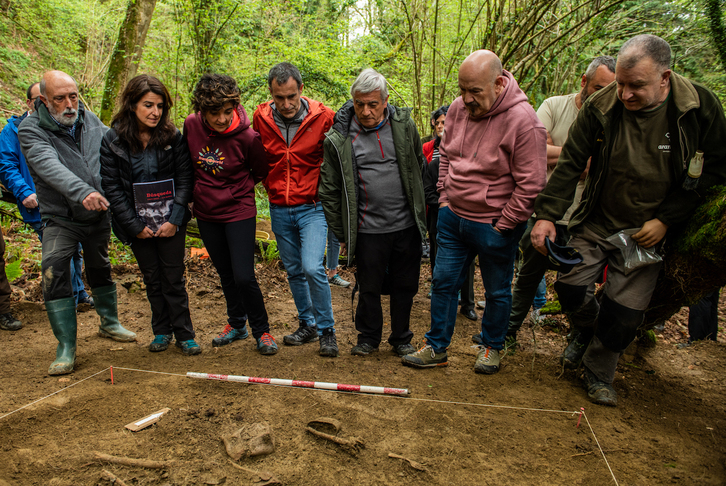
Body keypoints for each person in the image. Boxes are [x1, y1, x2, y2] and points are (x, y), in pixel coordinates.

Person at [531, 35, 726, 406]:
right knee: (570, 289)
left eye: (636, 85)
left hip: (647, 232)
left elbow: (716, 169)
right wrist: (547, 216)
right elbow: (571, 161)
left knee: (624, 317)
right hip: (597, 220)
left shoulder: (698, 107)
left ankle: (599, 373)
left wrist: (667, 219)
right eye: (620, 83)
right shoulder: (602, 104)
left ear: (665, 78)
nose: (624, 94)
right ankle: (587, 332)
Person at [402, 50, 546, 373]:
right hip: (453, 218)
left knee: (496, 290)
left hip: (495, 224)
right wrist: (443, 198)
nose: (466, 99)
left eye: (475, 91)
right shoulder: (456, 108)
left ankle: (491, 346)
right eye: (462, 89)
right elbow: (446, 155)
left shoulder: (524, 121)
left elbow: (532, 184)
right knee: (442, 283)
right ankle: (436, 347)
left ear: (497, 83)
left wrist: (504, 223)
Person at [18, 71, 137, 375]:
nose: (70, 104)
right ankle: (66, 346)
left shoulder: (89, 119)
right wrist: (83, 191)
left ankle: (109, 323)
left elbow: (116, 147)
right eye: (61, 98)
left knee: (99, 265)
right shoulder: (31, 129)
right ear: (43, 100)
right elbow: (48, 166)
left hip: (98, 214)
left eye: (73, 95)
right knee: (54, 267)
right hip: (60, 218)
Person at [498, 56, 615, 345]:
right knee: (527, 277)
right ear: (584, 82)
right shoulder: (553, 105)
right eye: (599, 87)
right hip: (546, 212)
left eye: (611, 88)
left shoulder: (615, 114)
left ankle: (582, 338)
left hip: (585, 218)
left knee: (580, 285)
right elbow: (535, 150)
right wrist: (577, 159)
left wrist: (557, 154)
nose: (605, 95)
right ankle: (506, 334)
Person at [319, 68, 426, 357]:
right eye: (359, 104)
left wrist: (423, 216)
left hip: (405, 225)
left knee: (405, 285)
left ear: (386, 101)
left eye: (372, 104)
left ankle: (401, 337)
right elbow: (328, 188)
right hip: (366, 228)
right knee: (369, 287)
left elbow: (419, 167)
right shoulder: (340, 137)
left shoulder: (405, 127)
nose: (365, 111)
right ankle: (368, 338)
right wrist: (341, 231)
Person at [100, 75, 199, 355]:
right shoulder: (113, 140)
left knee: (173, 277)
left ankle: (184, 334)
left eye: (159, 106)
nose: (155, 112)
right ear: (132, 104)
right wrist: (133, 225)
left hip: (170, 223)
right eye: (148, 105)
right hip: (137, 225)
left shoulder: (172, 136)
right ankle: (161, 331)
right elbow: (111, 187)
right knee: (152, 278)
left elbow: (185, 179)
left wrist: (175, 219)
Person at [183, 73, 276, 355]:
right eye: (215, 113)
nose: (222, 119)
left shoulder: (248, 137)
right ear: (201, 111)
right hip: (206, 211)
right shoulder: (190, 126)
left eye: (228, 111)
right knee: (225, 273)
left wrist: (238, 190)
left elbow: (261, 170)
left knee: (244, 275)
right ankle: (237, 324)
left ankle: (263, 331)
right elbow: (187, 162)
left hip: (238, 210)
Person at [253, 62, 339, 357]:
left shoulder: (324, 117)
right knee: (293, 270)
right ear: (271, 94)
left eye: (291, 96)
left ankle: (328, 330)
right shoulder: (260, 117)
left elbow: (340, 155)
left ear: (301, 89)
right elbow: (257, 154)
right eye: (280, 98)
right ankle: (308, 324)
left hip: (313, 206)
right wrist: (267, 184)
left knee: (312, 266)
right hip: (278, 205)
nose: (286, 104)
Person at [0, 82, 93, 309]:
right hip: (40, 204)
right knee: (60, 253)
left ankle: (79, 292)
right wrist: (24, 192)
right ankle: (66, 301)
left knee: (76, 249)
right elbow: (6, 165)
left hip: (70, 202)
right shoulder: (13, 130)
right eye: (37, 99)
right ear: (30, 102)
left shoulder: (58, 124)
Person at [422, 105, 477, 322]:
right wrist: (443, 204)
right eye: (439, 123)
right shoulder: (432, 159)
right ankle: (441, 301)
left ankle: (468, 303)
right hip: (439, 217)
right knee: (439, 258)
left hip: (468, 215)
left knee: (468, 261)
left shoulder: (469, 157)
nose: (443, 127)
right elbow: (427, 190)